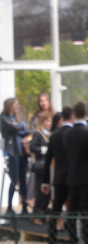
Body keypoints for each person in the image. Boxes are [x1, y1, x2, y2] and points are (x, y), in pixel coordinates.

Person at [41, 106, 73, 234]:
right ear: (72, 117)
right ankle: (73, 237)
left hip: (59, 177)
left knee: (56, 209)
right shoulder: (76, 133)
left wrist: (45, 181)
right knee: (73, 211)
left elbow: (47, 160)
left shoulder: (54, 136)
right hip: (73, 178)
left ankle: (52, 237)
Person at [0, 98, 30, 215]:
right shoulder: (3, 118)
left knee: (23, 179)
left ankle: (25, 206)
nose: (18, 106)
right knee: (14, 179)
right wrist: (21, 126)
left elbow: (26, 129)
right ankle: (9, 206)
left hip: (22, 153)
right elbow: (14, 128)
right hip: (12, 152)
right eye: (16, 104)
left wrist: (20, 127)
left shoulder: (16, 118)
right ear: (10, 105)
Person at [64, 101, 88, 243]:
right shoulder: (86, 133)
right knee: (85, 212)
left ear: (73, 114)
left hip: (72, 178)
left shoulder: (67, 134)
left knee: (72, 212)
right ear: (86, 113)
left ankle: (73, 239)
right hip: (86, 180)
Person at [29, 111, 52, 224]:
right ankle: (36, 215)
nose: (49, 123)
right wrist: (42, 150)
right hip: (40, 166)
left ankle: (44, 212)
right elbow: (32, 147)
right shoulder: (38, 134)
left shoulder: (49, 134)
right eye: (47, 120)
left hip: (47, 167)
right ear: (42, 122)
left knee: (47, 192)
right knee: (40, 192)